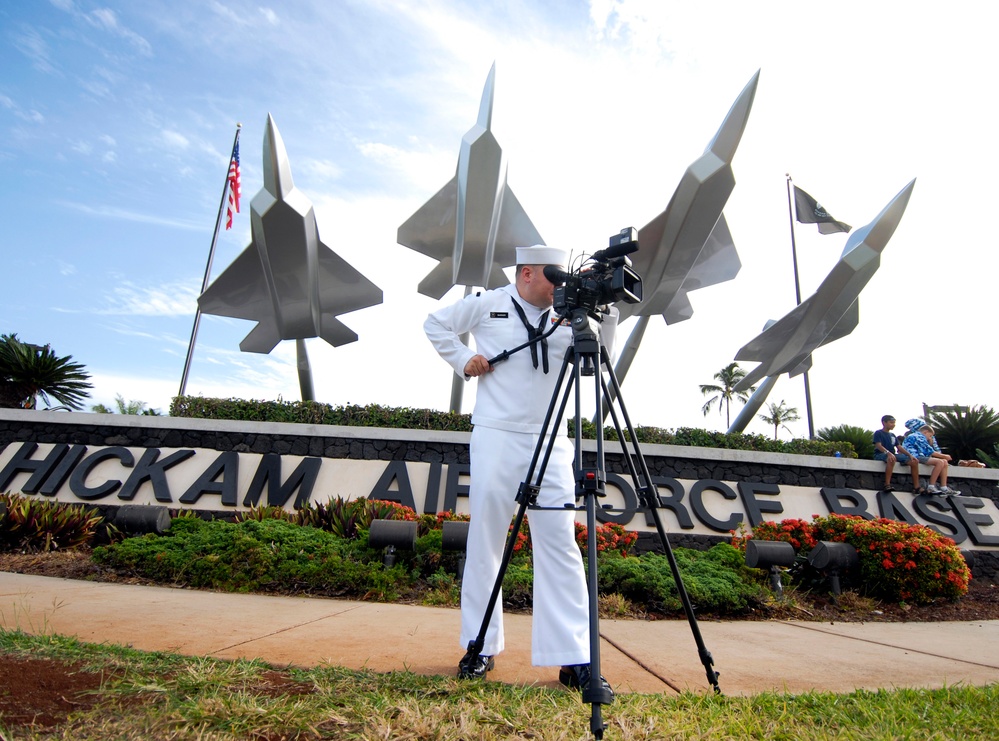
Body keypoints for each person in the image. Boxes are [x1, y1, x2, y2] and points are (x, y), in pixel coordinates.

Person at [424, 244, 617, 698]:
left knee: (560, 543)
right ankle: (480, 645)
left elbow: (597, 360)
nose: (561, 286)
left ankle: (575, 657)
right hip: (495, 433)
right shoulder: (488, 302)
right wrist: (461, 359)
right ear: (527, 273)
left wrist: (604, 314)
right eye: (554, 277)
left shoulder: (566, 313)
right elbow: (435, 322)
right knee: (487, 538)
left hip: (550, 439)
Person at [900, 419, 960, 495]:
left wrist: (943, 457)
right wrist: (944, 456)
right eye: (930, 436)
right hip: (914, 456)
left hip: (920, 456)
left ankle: (943, 487)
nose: (929, 438)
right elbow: (929, 451)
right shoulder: (917, 436)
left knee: (944, 462)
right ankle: (931, 486)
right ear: (925, 432)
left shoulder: (920, 436)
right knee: (940, 461)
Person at [872, 414, 919, 492]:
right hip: (880, 454)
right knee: (891, 459)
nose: (893, 425)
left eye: (894, 423)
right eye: (891, 422)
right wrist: (888, 453)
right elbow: (878, 445)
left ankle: (916, 487)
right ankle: (887, 484)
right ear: (884, 423)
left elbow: (899, 447)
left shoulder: (892, 435)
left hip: (893, 455)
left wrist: (909, 455)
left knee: (914, 461)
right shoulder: (878, 433)